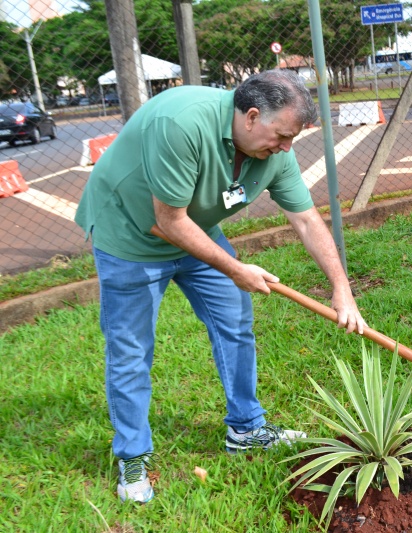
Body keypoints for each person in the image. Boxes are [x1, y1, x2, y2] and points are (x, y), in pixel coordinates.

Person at [74, 69, 367, 504]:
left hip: (198, 230)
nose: (286, 148)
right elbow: (168, 221)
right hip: (130, 236)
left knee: (234, 323)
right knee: (131, 349)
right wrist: (235, 268)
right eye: (282, 136)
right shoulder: (181, 123)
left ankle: (246, 428)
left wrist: (341, 287)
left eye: (291, 139)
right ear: (251, 117)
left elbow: (306, 220)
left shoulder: (274, 152)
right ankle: (132, 455)